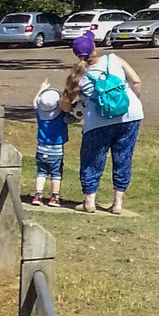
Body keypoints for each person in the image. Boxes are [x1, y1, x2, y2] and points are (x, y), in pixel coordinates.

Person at [61, 29, 144, 214]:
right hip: (130, 115)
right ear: (94, 48)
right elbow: (136, 82)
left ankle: (89, 201)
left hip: (97, 121)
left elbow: (65, 106)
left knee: (92, 158)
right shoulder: (114, 59)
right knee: (123, 156)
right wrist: (130, 102)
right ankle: (117, 204)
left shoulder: (77, 75)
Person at [32, 83, 69, 207]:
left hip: (41, 149)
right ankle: (54, 197)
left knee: (41, 172)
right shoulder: (61, 116)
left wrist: (41, 89)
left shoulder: (39, 114)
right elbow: (73, 117)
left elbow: (35, 103)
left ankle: (37, 195)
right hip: (56, 150)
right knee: (56, 174)